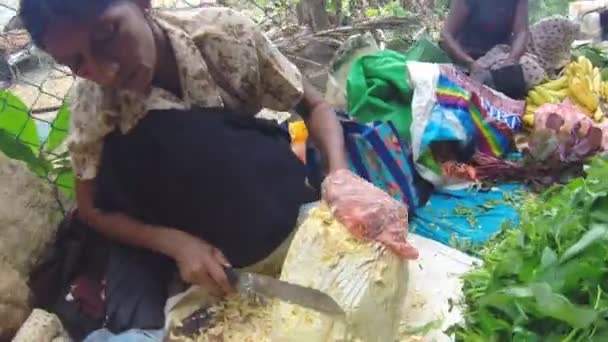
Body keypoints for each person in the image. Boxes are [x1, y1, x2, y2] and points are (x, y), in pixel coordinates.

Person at [18, 0, 388, 336]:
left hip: (235, 170)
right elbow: (91, 208)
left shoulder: (224, 36)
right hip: (150, 221)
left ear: (141, 3)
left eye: (107, 36)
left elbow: (316, 106)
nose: (105, 70)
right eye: (76, 63)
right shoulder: (91, 104)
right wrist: (175, 244)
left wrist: (340, 176)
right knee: (138, 326)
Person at [440, 0, 579, 90]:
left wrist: (511, 61)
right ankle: (484, 80)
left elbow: (521, 33)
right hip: (468, 57)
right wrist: (470, 63)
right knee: (526, 73)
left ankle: (493, 79)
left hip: (501, 54)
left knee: (559, 24)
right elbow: (446, 34)